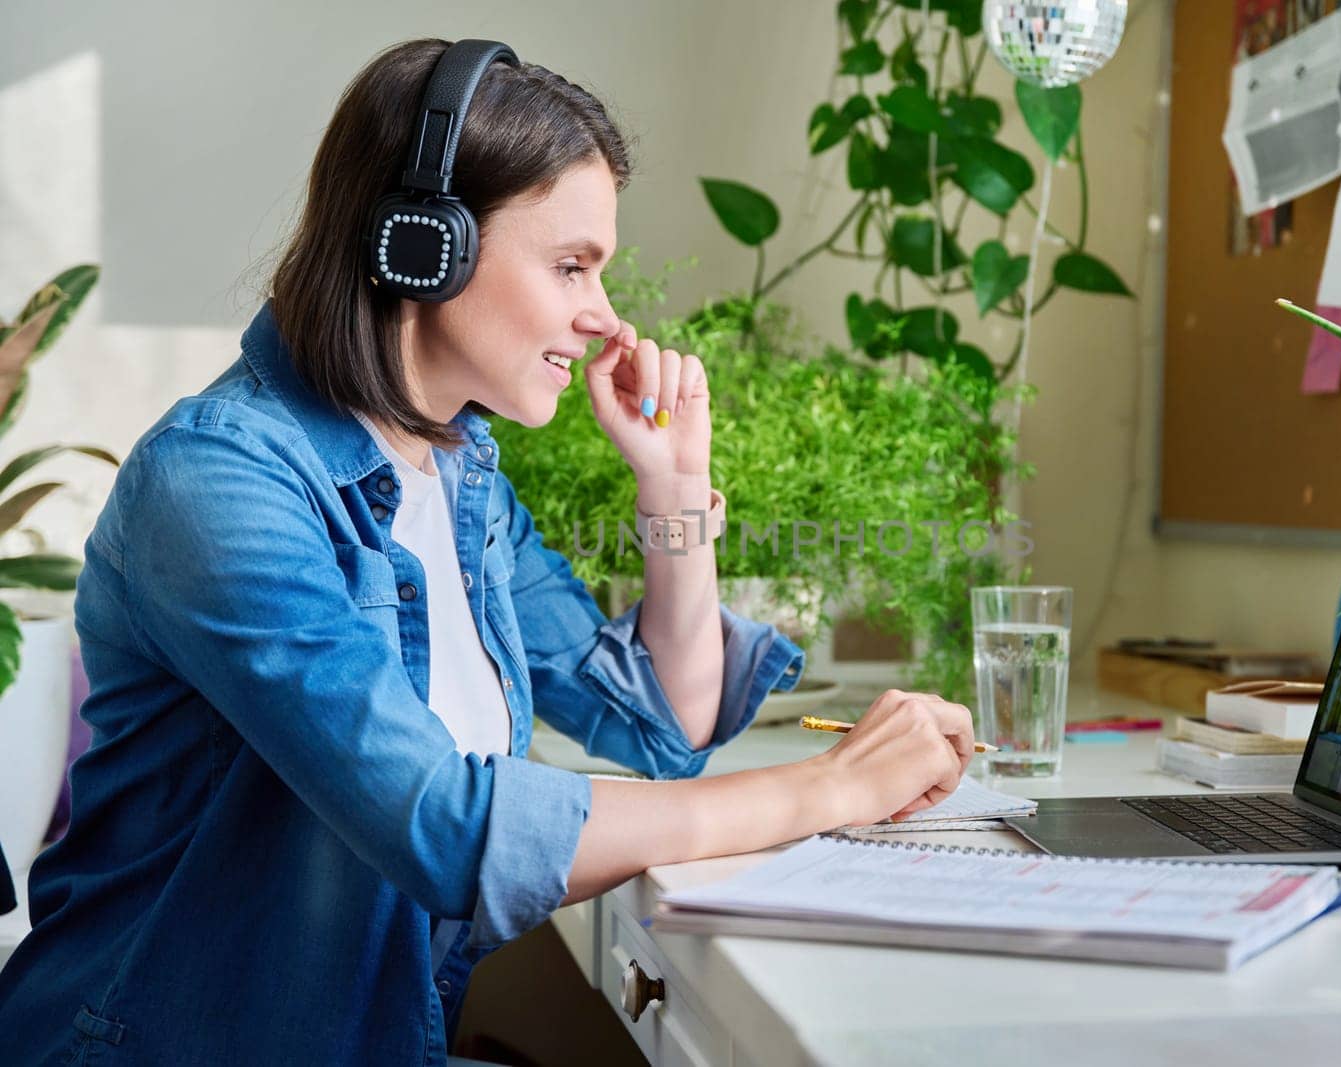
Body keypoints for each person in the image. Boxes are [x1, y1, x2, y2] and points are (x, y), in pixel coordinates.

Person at [0, 39, 973, 1065]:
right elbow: (441, 825)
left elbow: (663, 723)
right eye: (570, 267)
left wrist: (675, 486)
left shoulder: (457, 472)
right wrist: (828, 786)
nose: (602, 316)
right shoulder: (216, 484)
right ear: (422, 248)